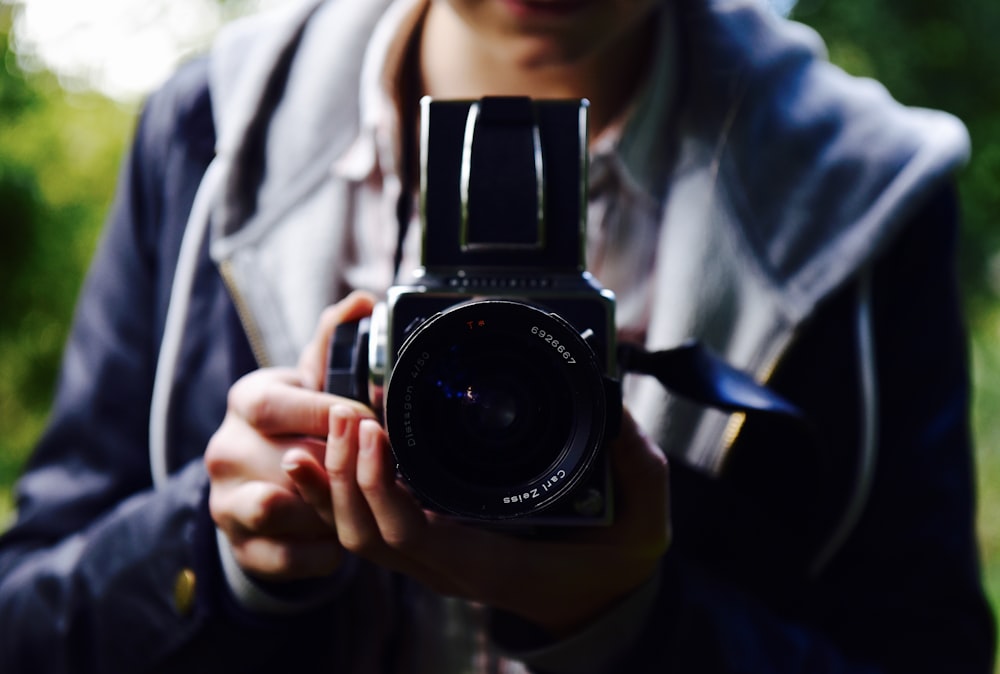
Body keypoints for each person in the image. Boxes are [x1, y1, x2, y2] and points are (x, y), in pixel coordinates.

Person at [0, 0, 995, 671]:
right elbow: (26, 618)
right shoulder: (213, 132)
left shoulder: (861, 187)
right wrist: (225, 551)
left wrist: (629, 625)